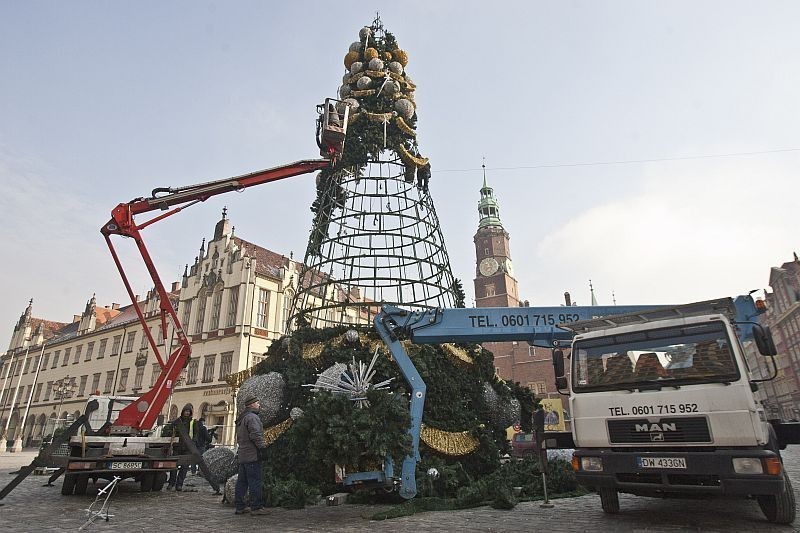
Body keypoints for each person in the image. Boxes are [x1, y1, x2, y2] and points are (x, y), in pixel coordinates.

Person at [235, 396, 269, 516]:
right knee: (255, 481)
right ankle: (256, 507)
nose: (259, 405)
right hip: (252, 454)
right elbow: (255, 435)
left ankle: (240, 506)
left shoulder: (242, 417)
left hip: (243, 454)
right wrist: (262, 448)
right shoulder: (252, 417)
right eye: (257, 403)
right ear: (251, 405)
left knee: (242, 482)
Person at [166, 404, 199, 491]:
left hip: (188, 447)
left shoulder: (193, 422)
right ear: (183, 412)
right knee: (174, 466)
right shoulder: (177, 421)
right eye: (186, 411)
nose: (187, 413)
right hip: (177, 446)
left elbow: (196, 434)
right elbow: (169, 430)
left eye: (188, 412)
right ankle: (171, 483)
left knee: (184, 467)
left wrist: (193, 442)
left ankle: (179, 484)